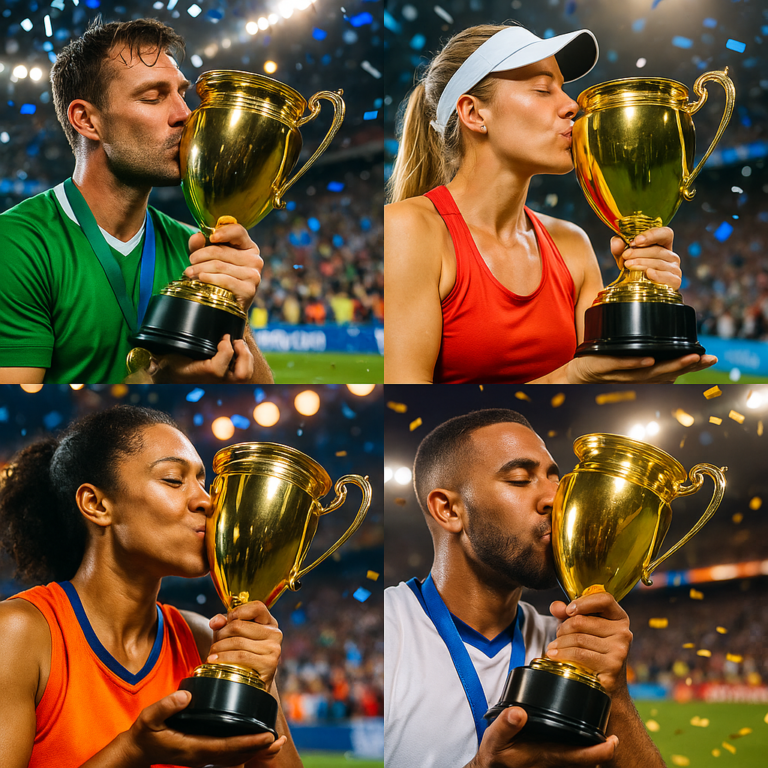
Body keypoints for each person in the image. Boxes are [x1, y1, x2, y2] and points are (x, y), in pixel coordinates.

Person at [384, 23, 717, 384]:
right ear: (475, 114)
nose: (571, 105)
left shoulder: (572, 243)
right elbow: (405, 403)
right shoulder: (409, 229)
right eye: (543, 89)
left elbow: (613, 384)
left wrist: (650, 310)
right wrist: (574, 376)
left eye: (562, 88)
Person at [0, 405, 302, 768]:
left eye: (203, 482)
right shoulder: (18, 634)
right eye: (174, 479)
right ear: (96, 504)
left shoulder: (204, 640)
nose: (206, 500)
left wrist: (259, 682)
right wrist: (133, 752)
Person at [384, 408, 665, 768]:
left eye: (556, 479)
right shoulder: (388, 628)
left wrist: (616, 697)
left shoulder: (567, 644)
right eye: (520, 478)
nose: (555, 499)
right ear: (449, 510)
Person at [0, 18, 273, 384]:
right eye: (153, 97)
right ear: (87, 120)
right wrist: (162, 382)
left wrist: (235, 312)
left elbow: (256, 387)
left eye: (181, 93)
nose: (184, 114)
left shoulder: (195, 246)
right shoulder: (16, 245)